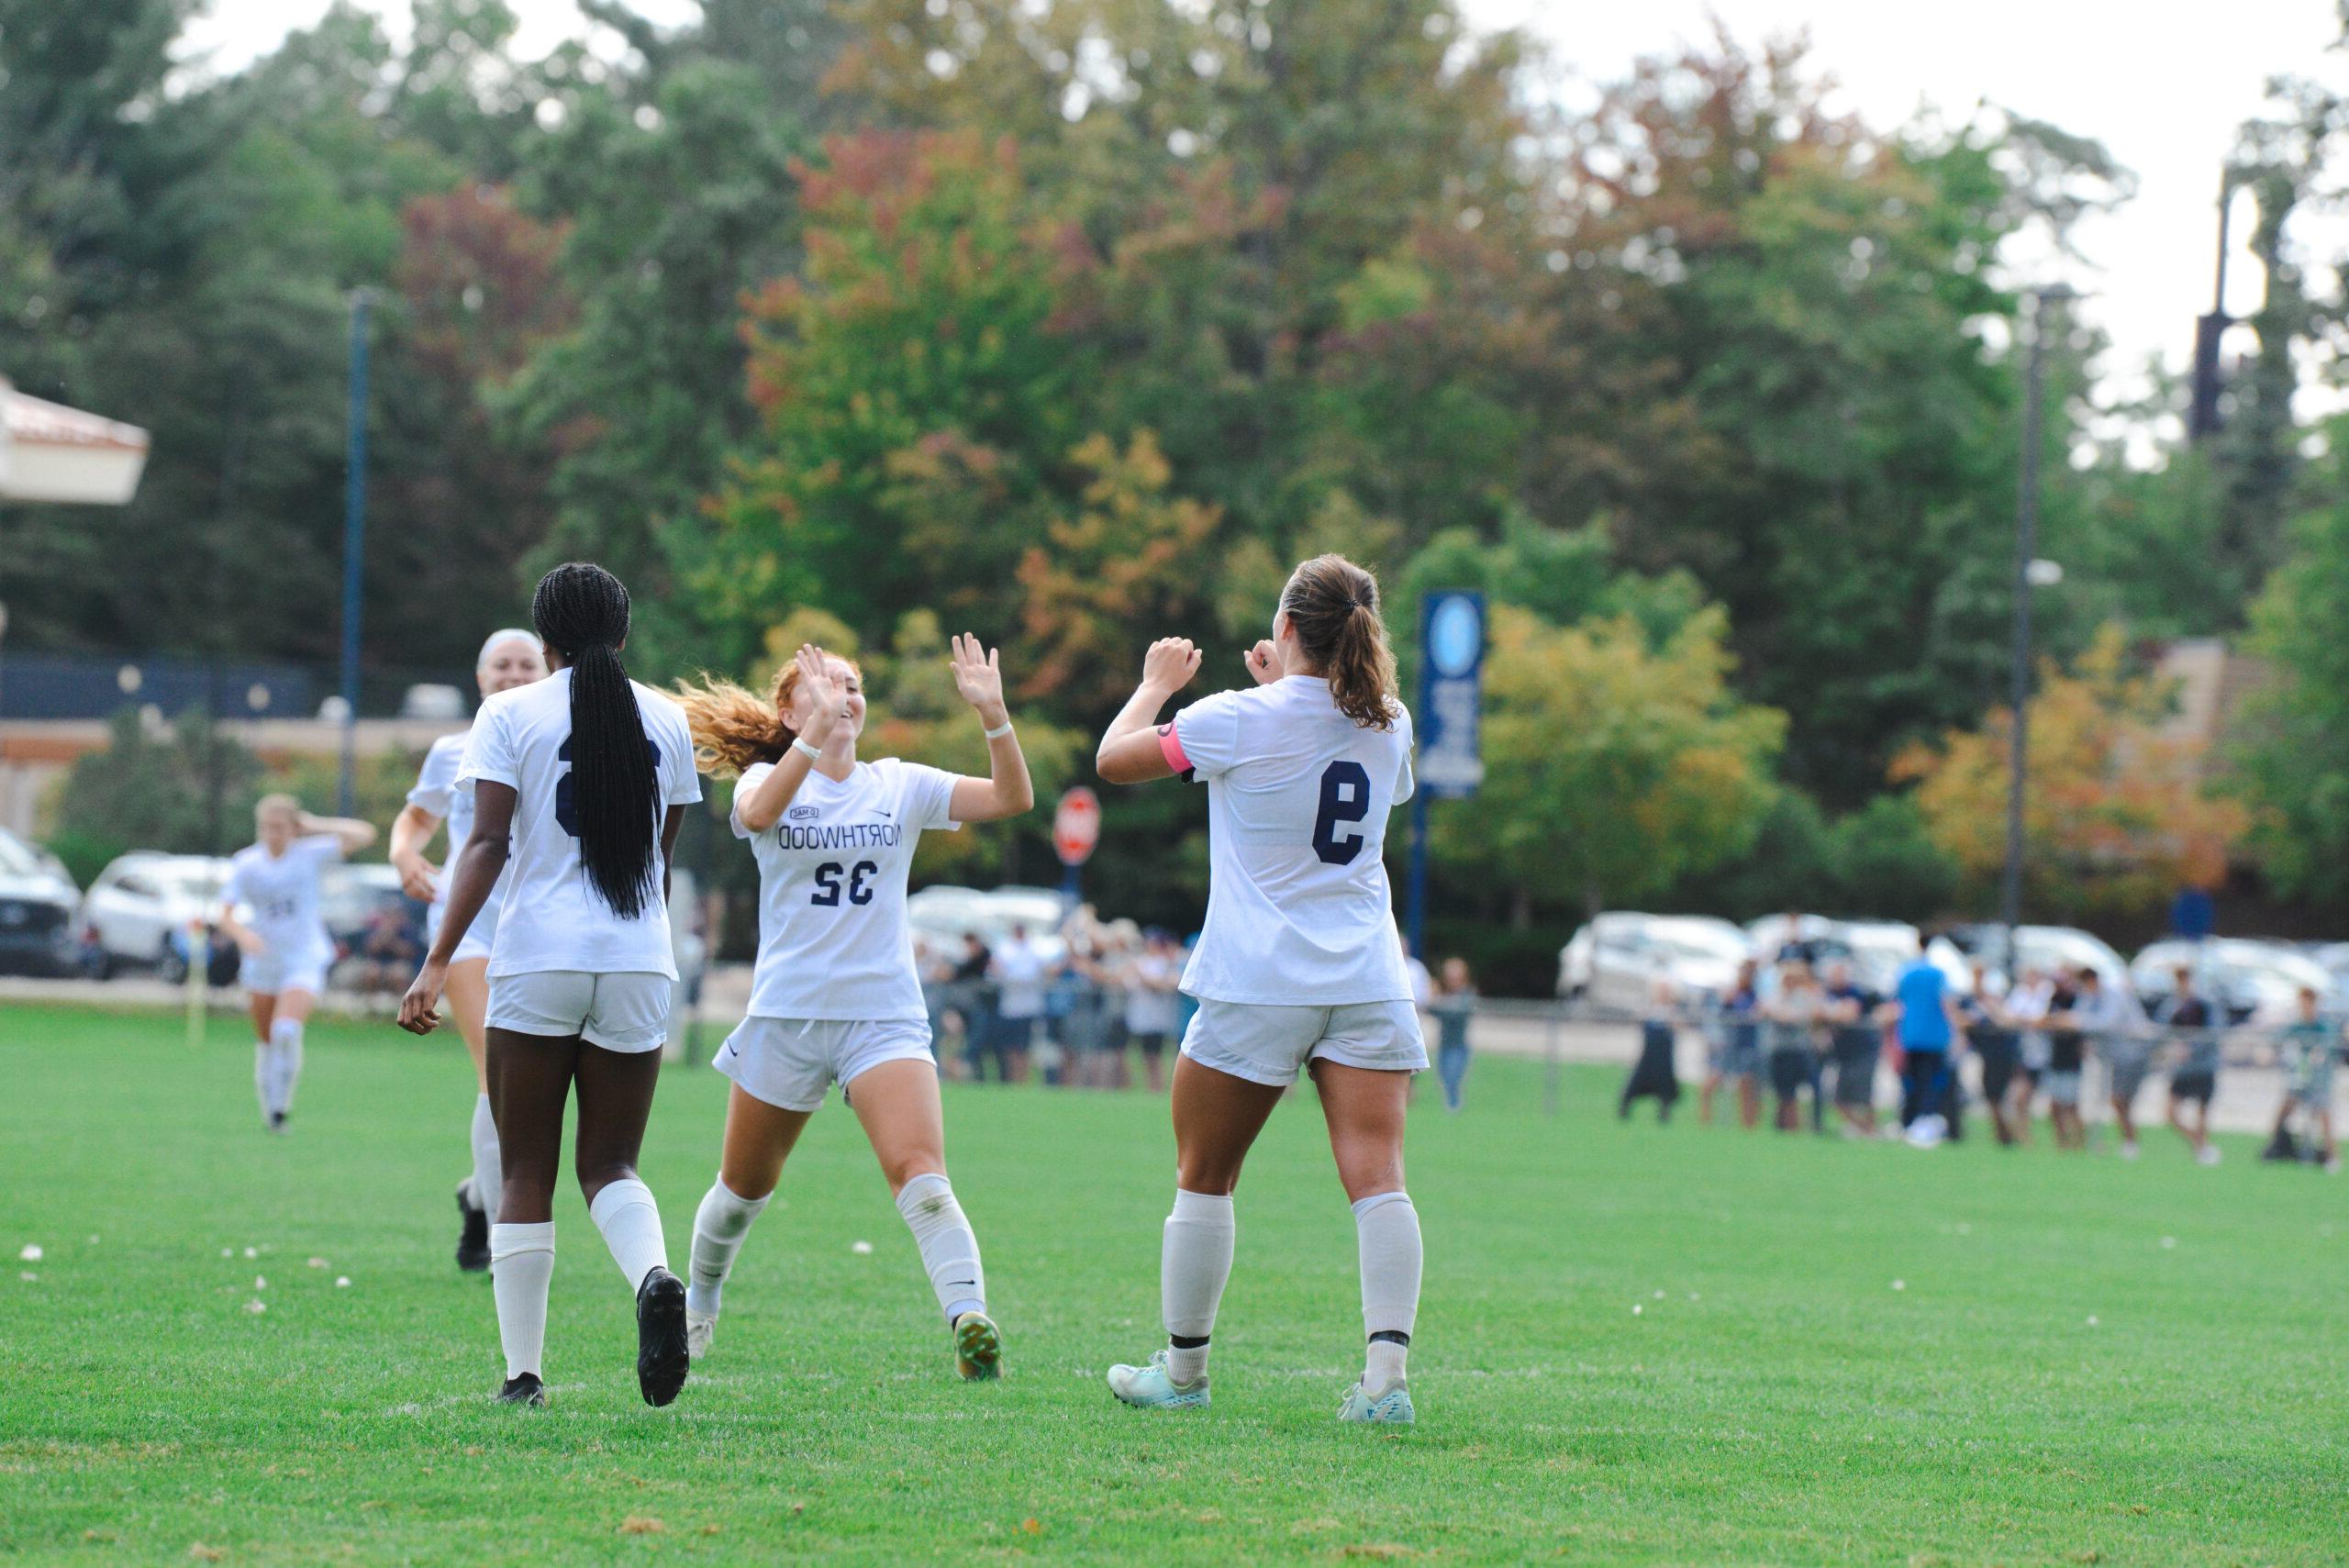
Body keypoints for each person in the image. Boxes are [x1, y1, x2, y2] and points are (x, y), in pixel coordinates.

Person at [1093, 553, 1426, 1425]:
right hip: (1365, 977)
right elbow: (1332, 741)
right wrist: (1292, 687)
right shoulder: (1391, 722)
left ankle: (1185, 1372)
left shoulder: (1232, 717)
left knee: (1205, 1174)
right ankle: (1386, 1382)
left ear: (1284, 628)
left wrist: (1154, 684)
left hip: (1258, 979)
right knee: (1380, 1178)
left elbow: (1113, 760)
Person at [672, 635, 1033, 1379]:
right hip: (788, 1016)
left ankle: (969, 1320)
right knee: (741, 1194)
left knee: (922, 1175)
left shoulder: (898, 783)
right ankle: (698, 1302)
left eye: (855, 684)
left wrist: (995, 717)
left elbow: (1010, 798)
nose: (846, 694)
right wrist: (811, 737)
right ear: (789, 705)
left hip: (883, 1015)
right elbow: (765, 811)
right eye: (826, 683)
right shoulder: (765, 779)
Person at [396, 562, 704, 1411]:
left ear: (544, 642)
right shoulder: (671, 719)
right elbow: (660, 858)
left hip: (536, 958)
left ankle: (523, 1375)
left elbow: (487, 843)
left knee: (526, 1165)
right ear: (624, 633)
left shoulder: (508, 712)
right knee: (611, 1162)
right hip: (641, 959)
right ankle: (651, 1275)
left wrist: (435, 961)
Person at [388, 627, 550, 1272]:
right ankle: (500, 1225)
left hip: (541, 927)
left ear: (548, 671)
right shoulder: (453, 748)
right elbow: (418, 818)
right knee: (500, 1073)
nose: (512, 673)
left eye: (525, 663)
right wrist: (403, 850)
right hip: (470, 928)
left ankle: (478, 1190)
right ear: (479, 678)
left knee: (534, 1086)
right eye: (500, 664)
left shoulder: (558, 745)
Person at [217, 795, 377, 1133]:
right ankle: (270, 1110)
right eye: (267, 827)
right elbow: (225, 915)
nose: (273, 834)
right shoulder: (247, 863)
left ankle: (281, 1109)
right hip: (263, 961)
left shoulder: (310, 853)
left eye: (280, 827)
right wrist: (244, 936)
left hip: (303, 956)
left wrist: (316, 824)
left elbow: (365, 834)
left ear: (293, 828)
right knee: (266, 1040)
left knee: (285, 1030)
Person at [1890, 939, 1968, 1145]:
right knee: (1932, 1083)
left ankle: (1909, 1122)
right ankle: (1925, 1123)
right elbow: (1947, 1003)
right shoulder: (1938, 974)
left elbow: (1898, 1003)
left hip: (1910, 1035)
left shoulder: (1906, 972)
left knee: (1912, 1082)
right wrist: (1958, 1033)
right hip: (1934, 1037)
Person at [2269, 986, 2341, 1173]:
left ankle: (2332, 1157)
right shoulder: (2297, 1026)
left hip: (2319, 1080)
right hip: (2300, 1079)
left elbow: (2327, 1047)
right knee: (2285, 1109)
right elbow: (2278, 1039)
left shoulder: (2323, 1026)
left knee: (2323, 1114)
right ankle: (2276, 1145)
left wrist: (2318, 1055)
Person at [2157, 965, 2222, 1166]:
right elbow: (2161, 1029)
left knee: (2202, 1113)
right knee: (2170, 1113)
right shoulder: (2173, 1006)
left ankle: (2202, 1150)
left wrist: (2191, 1049)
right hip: (2182, 1069)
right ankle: (2199, 1143)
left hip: (2204, 1067)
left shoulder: (2205, 1005)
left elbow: (2214, 1033)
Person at [1961, 964, 2023, 1146]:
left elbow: (2006, 1020)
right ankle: (2002, 1135)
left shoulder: (1999, 994)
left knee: (2001, 1098)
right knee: (1991, 1097)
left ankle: (2010, 1135)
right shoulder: (1974, 1002)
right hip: (1987, 1057)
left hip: (2003, 1057)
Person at [1820, 961, 1884, 1138]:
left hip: (1862, 1051)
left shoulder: (1854, 992)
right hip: (1844, 1054)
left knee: (1864, 1096)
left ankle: (1870, 1129)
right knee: (1839, 1099)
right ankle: (1864, 1128)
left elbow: (1849, 1014)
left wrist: (1830, 1013)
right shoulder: (1829, 993)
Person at [1761, 961, 1824, 1132]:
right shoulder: (1775, 995)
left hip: (1800, 1050)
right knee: (1784, 1091)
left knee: (1813, 1087)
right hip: (1781, 1050)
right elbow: (1770, 1012)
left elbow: (1811, 1013)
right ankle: (1785, 1126)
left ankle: (1812, 1125)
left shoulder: (1804, 996)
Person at [1700, 959, 1763, 1129]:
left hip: (1746, 1046)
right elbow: (1719, 1017)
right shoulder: (1730, 994)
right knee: (1711, 1082)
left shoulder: (1755, 995)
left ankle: (1747, 1125)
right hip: (1728, 1047)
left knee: (1746, 1085)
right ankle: (1705, 1121)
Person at [1123, 929, 1183, 1094]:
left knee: (1156, 1056)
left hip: (1158, 1019)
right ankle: (1151, 1087)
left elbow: (1160, 985)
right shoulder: (1140, 962)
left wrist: (1141, 974)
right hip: (1141, 1018)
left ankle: (1159, 1088)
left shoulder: (1164, 963)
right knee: (1146, 1056)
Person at [2003, 964, 2055, 1146]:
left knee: (2055, 1101)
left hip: (2044, 1054)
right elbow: (2008, 1016)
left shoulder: (2048, 992)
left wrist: (2024, 1020)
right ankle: (2024, 1136)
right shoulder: (2020, 993)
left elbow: (2042, 1019)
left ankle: (2064, 1141)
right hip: (2023, 1054)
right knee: (2020, 1098)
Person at [991, 924, 1047, 1084]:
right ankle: (1013, 1079)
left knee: (1024, 1048)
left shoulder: (1034, 948)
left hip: (1029, 1007)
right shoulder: (1005, 948)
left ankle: (1023, 1079)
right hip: (1010, 1007)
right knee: (1010, 1047)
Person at [2042, 969, 2090, 1151]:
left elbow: (2077, 1021)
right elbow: (2046, 1021)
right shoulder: (2054, 1000)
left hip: (2072, 1060)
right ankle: (2062, 1142)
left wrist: (2061, 1021)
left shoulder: (2077, 999)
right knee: (2054, 1105)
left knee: (2071, 1105)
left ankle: (2079, 1143)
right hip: (2055, 1058)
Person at [1430, 958, 1477, 1113]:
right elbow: (1432, 1009)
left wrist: (1439, 1002)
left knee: (1453, 1079)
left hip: (1458, 1047)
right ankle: (1451, 1109)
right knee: (1444, 1079)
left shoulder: (1466, 994)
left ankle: (1454, 1109)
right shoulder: (1444, 994)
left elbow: (1454, 1013)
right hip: (1444, 1046)